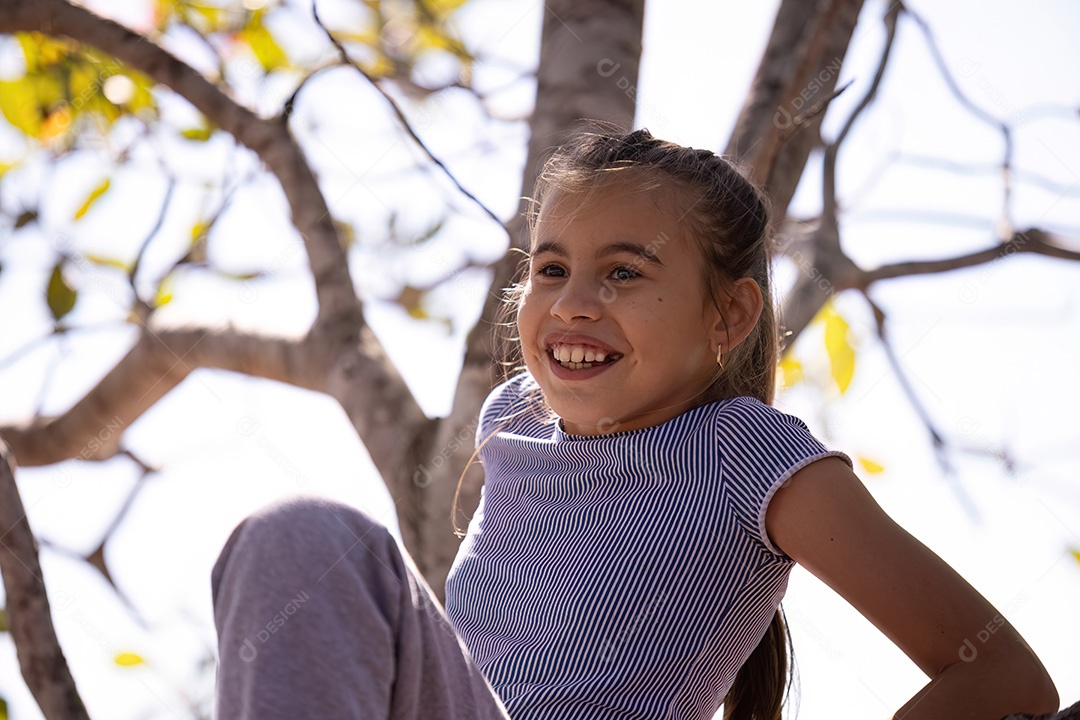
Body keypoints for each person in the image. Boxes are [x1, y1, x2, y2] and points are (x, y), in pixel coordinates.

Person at [211, 127, 1063, 719]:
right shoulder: (511, 421)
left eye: (624, 273)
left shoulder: (742, 450)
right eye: (552, 268)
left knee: (314, 533)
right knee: (296, 540)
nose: (573, 303)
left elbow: (1003, 674)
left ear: (728, 316)